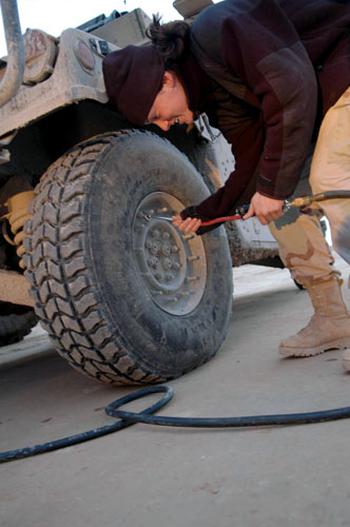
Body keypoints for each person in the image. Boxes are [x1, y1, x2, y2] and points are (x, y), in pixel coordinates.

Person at [102, 0, 350, 370]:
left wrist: (272, 190)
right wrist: (206, 213)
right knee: (279, 211)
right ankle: (333, 318)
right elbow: (252, 161)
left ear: (166, 80)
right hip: (322, 95)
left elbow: (292, 87)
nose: (164, 125)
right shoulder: (214, 97)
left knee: (329, 177)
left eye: (157, 115)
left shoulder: (219, 29)